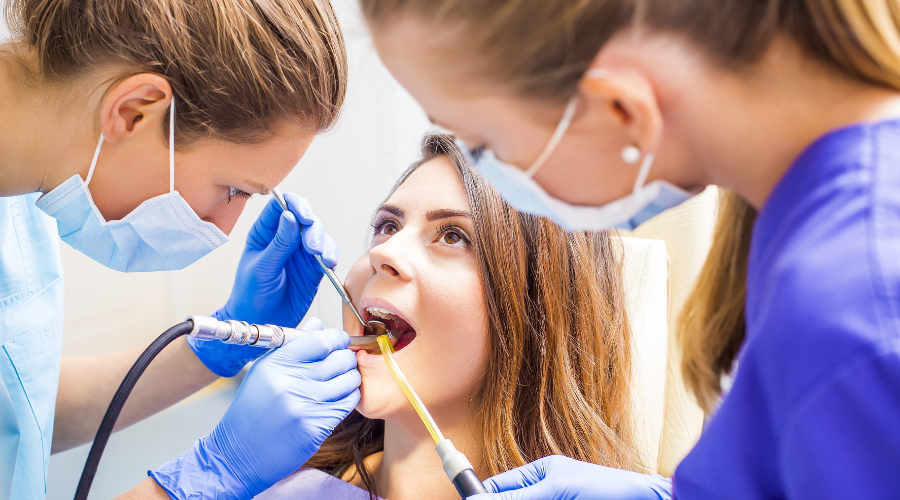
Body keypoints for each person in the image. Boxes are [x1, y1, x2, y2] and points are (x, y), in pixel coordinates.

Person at [356, 0, 900, 498]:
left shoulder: (852, 309)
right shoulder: (814, 239)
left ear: (620, 106)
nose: (387, 254)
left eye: (484, 142)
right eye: (384, 225)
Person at [0, 1, 360, 499]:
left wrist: (218, 346)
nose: (227, 228)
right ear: (135, 110)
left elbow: (19, 409)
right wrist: (203, 479)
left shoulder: (16, 206)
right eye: (234, 189)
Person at [254, 132, 658, 500]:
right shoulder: (278, 481)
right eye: (388, 226)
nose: (384, 252)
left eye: (453, 235)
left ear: (538, 311)